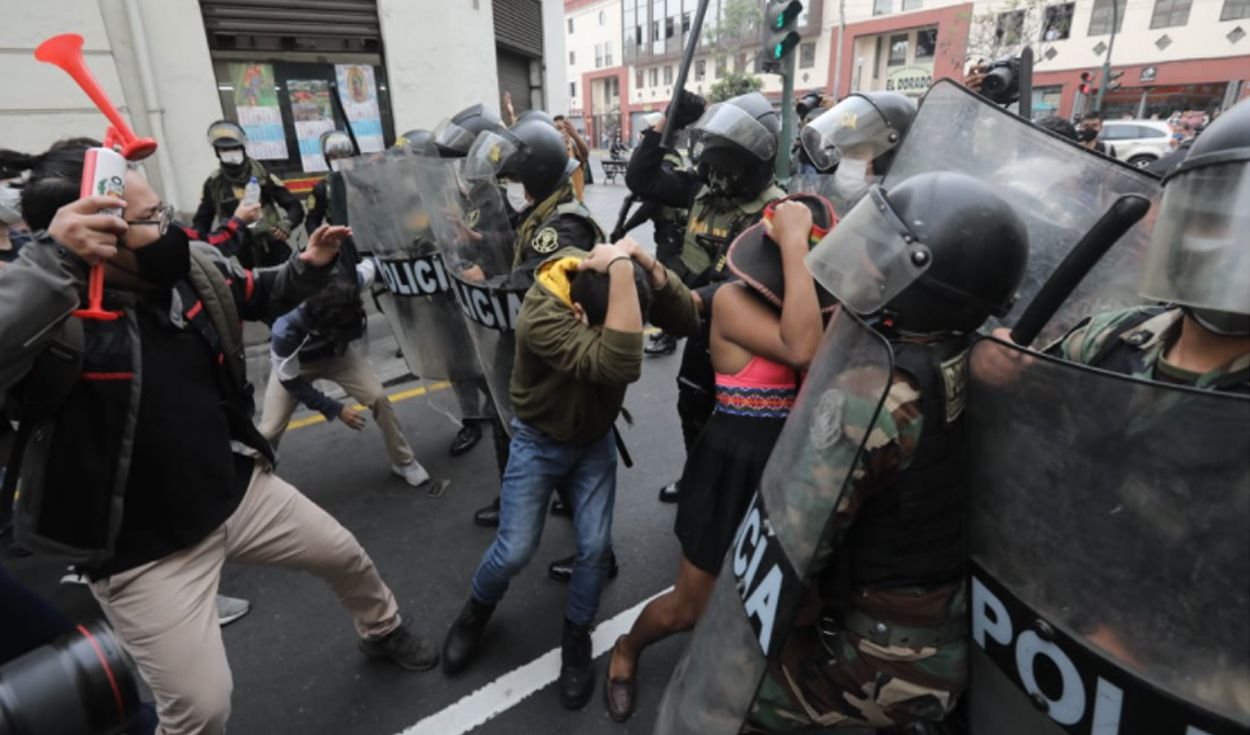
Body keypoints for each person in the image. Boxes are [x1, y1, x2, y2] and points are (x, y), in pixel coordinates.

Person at [0, 140, 438, 735]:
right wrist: (51, 263)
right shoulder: (50, 319)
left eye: (165, 212)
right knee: (199, 712)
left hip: (236, 491)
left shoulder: (189, 275)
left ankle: (382, 631)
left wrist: (306, 265)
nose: (171, 230)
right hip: (142, 553)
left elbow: (258, 294)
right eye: (152, 220)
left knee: (346, 556)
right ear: (95, 234)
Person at [744, 171, 1030, 731]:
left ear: (928, 288)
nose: (871, 264)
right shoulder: (970, 356)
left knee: (741, 698)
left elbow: (799, 548)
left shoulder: (874, 396)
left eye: (889, 259)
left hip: (885, 658)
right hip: (948, 626)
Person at [439, 237, 700, 711]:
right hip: (539, 442)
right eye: (621, 323)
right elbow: (620, 362)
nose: (631, 329)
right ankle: (477, 611)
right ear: (578, 311)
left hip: (593, 440)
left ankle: (577, 636)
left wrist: (644, 264)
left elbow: (687, 319)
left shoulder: (606, 284)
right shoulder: (541, 315)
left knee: (596, 549)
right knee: (515, 548)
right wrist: (620, 275)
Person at [604, 195, 835, 722]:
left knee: (796, 608)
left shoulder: (819, 305)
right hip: (731, 469)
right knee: (689, 608)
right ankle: (627, 648)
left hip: (794, 475)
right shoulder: (734, 301)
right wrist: (797, 244)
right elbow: (804, 351)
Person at [625, 91, 786, 505]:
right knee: (692, 404)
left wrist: (678, 296)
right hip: (700, 325)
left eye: (724, 160)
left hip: (746, 338)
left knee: (740, 422)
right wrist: (667, 120)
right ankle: (697, 477)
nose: (712, 169)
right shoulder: (702, 190)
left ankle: (739, 495)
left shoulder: (775, 211)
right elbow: (640, 178)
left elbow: (736, 284)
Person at [258, 258, 432, 487]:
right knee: (268, 431)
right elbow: (291, 382)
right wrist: (335, 409)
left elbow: (380, 264)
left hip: (338, 356)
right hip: (297, 367)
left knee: (378, 397)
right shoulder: (286, 329)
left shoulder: (348, 286)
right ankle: (258, 481)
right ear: (321, 326)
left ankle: (403, 461)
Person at [192, 120, 305, 268]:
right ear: (217, 152)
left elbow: (294, 206)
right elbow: (201, 222)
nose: (230, 154)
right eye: (224, 150)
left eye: (234, 148)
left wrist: (286, 224)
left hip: (273, 247)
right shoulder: (214, 184)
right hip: (242, 256)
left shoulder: (262, 175)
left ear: (242, 147)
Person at [797, 91, 917, 213]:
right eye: (842, 152)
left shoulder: (901, 218)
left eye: (856, 154)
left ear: (885, 163)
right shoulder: (840, 207)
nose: (845, 161)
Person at [302, 129, 356, 234]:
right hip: (339, 240)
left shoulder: (363, 183)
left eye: (344, 155)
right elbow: (312, 221)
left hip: (367, 241)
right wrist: (321, 241)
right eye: (334, 157)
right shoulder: (323, 188)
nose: (340, 160)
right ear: (328, 159)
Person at [553, 115, 591, 202]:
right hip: (557, 205)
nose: (559, 131)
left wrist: (575, 136)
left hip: (576, 204)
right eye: (556, 128)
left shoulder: (574, 146)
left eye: (562, 128)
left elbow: (585, 154)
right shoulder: (551, 149)